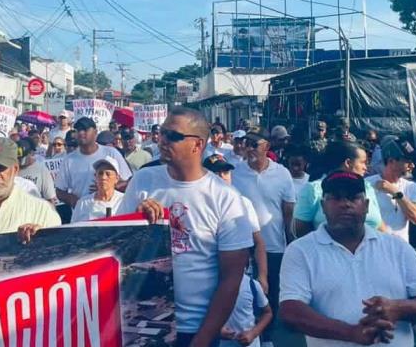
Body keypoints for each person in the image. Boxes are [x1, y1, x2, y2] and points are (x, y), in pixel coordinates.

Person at [118, 107, 254, 347]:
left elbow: (231, 280)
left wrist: (202, 340)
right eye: (161, 133)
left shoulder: (226, 198)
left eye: (173, 136)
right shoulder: (143, 181)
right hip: (145, 323)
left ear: (197, 144)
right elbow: (118, 246)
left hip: (196, 328)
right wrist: (136, 220)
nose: (162, 140)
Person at [279, 171, 416, 346]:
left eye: (353, 197)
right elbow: (291, 312)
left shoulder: (397, 247)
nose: (345, 204)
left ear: (366, 205)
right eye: (336, 198)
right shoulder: (301, 251)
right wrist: (350, 333)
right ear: (323, 205)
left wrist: (398, 309)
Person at [232, 132, 294, 331]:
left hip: (274, 245)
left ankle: (266, 338)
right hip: (245, 247)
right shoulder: (236, 172)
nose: (249, 148)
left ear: (266, 146)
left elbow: (288, 211)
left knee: (270, 294)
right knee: (246, 296)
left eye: (254, 144)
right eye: (246, 144)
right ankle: (247, 335)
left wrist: (290, 240)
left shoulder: (282, 173)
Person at [204, 153, 269, 296]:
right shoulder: (198, 205)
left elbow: (258, 243)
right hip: (208, 280)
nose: (222, 176)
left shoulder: (243, 203)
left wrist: (263, 276)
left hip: (242, 279)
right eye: (216, 172)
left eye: (226, 171)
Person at [293, 141, 387, 238]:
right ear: (348, 163)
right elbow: (300, 230)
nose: (365, 168)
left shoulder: (366, 187)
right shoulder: (314, 189)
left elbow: (379, 224)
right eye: (363, 162)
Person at [55, 117, 132, 208]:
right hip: (83, 215)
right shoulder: (69, 160)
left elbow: (129, 182)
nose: (81, 133)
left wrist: (108, 186)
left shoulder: (111, 153)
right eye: (78, 130)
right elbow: (59, 191)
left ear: (95, 133)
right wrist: (72, 200)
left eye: (85, 129)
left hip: (110, 213)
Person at [366, 137, 416, 243]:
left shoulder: (411, 187)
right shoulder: (368, 184)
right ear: (391, 161)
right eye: (408, 161)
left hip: (400, 250)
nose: (412, 165)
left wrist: (395, 192)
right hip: (374, 247)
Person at [220, 273, 273, 347]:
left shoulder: (252, 285)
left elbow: (267, 313)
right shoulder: (213, 285)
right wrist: (217, 331)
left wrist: (253, 333)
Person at [70, 156, 126, 222]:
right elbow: (74, 229)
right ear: (95, 176)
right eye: (100, 173)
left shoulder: (124, 201)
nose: (103, 177)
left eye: (108, 174)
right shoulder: (83, 203)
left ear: (117, 178)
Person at [17, 137, 58, 204]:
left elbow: (50, 198)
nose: (20, 162)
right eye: (18, 159)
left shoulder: (41, 169)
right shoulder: (12, 170)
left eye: (23, 158)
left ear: (31, 153)